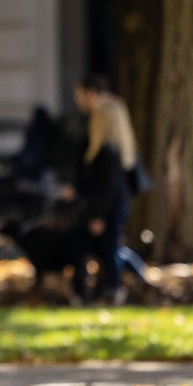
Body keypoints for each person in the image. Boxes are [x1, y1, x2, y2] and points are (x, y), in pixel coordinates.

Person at [71, 74, 137, 305]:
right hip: (113, 203)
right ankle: (108, 289)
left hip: (107, 206)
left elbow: (106, 185)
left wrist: (97, 214)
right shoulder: (116, 149)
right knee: (107, 248)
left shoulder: (106, 151)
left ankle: (115, 288)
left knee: (108, 248)